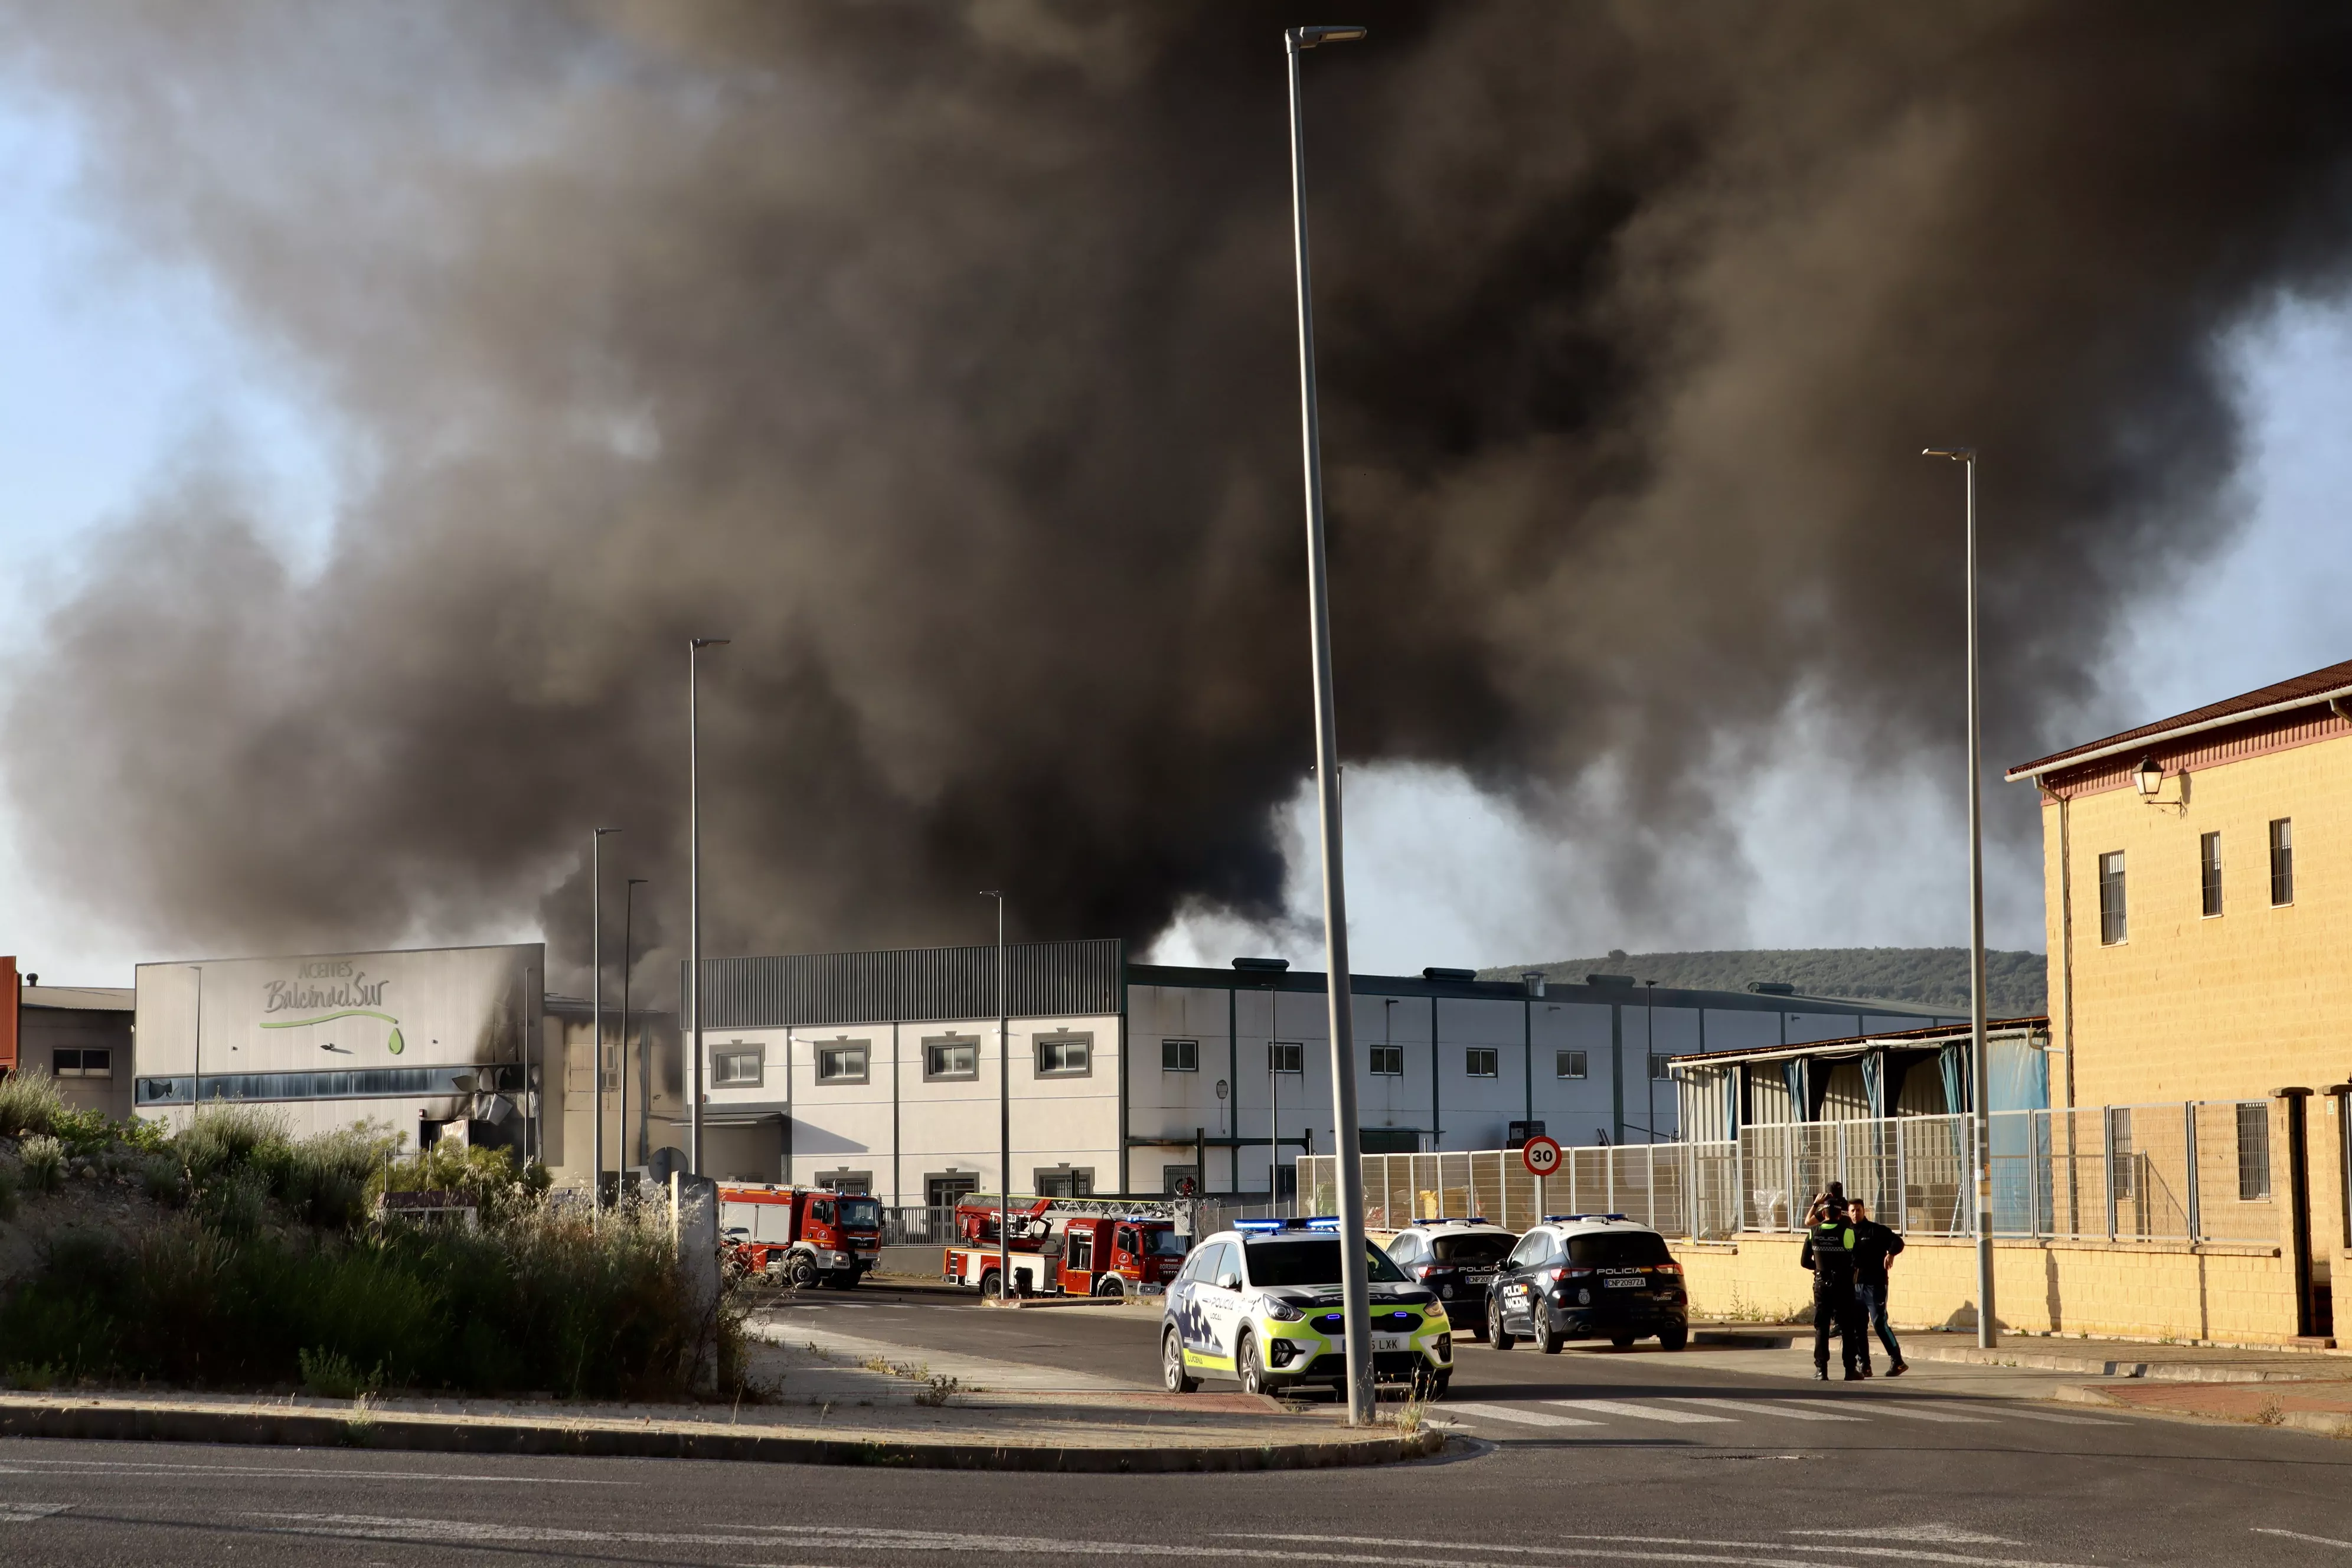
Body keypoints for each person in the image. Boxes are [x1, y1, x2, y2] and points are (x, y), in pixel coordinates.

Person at [1798, 1182, 1866, 1380]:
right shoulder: (1848, 1233)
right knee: (1847, 1327)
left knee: (1822, 1327)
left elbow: (1804, 1262)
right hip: (1844, 1285)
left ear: (1825, 1214)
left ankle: (1821, 1370)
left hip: (1821, 1285)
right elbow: (1858, 1259)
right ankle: (1850, 1370)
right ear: (1840, 1214)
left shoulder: (1813, 1232)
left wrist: (1819, 1269)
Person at [1847, 1197, 1908, 1376]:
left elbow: (1898, 1242)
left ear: (1864, 1211)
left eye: (1858, 1210)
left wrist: (1891, 1254)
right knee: (1858, 1327)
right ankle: (1864, 1365)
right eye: (1852, 1210)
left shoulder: (1875, 1230)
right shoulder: (1847, 1232)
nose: (1855, 1214)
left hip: (1875, 1285)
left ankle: (1897, 1361)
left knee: (1879, 1323)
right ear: (1848, 1213)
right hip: (1854, 1287)